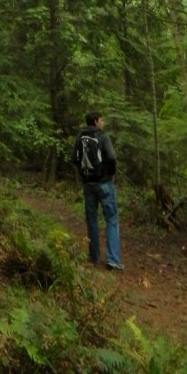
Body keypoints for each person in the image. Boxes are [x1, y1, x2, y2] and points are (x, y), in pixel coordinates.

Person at [71, 111, 124, 270]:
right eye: (101, 120)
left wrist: (82, 175)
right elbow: (112, 157)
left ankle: (94, 257)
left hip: (88, 184)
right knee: (112, 219)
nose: (103, 123)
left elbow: (74, 158)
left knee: (92, 220)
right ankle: (113, 259)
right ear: (95, 121)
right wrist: (111, 172)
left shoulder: (80, 138)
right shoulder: (102, 137)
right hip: (104, 183)